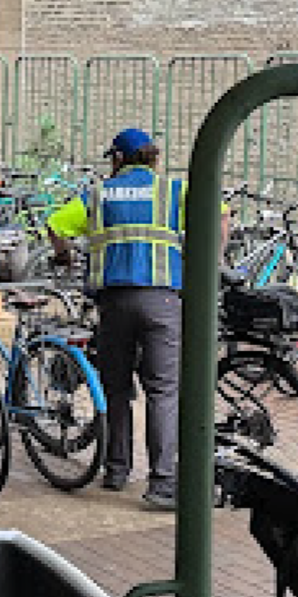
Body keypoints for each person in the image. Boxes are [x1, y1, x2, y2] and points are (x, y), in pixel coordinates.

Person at [45, 128, 200, 509]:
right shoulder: (173, 191)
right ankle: (162, 483)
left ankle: (117, 470)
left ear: (117, 158)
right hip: (162, 300)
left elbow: (54, 225)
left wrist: (63, 256)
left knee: (116, 388)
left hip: (114, 304)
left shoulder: (98, 194)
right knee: (162, 390)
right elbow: (222, 215)